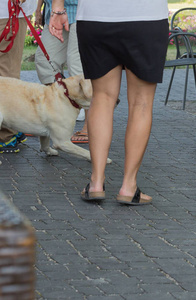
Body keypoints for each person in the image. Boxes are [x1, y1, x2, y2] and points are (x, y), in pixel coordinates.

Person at [49, 0, 169, 205]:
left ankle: (96, 182)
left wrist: (58, 8)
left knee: (102, 98)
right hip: (146, 16)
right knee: (141, 103)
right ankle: (128, 187)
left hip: (96, 17)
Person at [35, 0, 88, 144]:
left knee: (77, 65)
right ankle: (56, 115)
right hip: (53, 11)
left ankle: (90, 124)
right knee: (44, 61)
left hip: (81, 11)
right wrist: (39, 7)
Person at [0, 0, 37, 153]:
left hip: (9, 12)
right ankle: (6, 135)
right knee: (7, 75)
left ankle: (10, 127)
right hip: (7, 13)